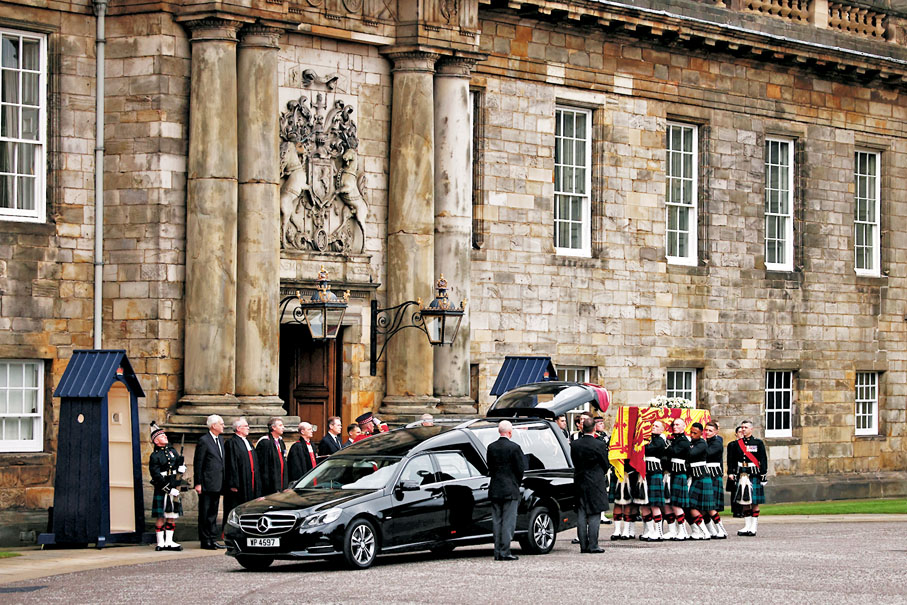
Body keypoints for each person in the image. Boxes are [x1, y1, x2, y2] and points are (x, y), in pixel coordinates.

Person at [487, 420, 526, 561]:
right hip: (510, 488)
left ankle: (497, 551)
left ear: (499, 431)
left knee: (497, 521)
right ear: (510, 432)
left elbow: (490, 467)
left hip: (495, 487)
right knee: (508, 522)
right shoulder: (515, 447)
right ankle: (505, 551)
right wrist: (516, 482)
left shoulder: (491, 447)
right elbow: (520, 469)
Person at [569, 417, 609, 553]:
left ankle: (583, 545)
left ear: (582, 428)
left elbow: (573, 461)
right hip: (595, 480)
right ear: (593, 429)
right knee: (594, 513)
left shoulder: (575, 444)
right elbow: (605, 464)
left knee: (581, 512)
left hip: (580, 479)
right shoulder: (599, 444)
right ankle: (593, 545)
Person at [148, 422, 186, 551]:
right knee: (161, 516)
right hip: (163, 488)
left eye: (164, 435)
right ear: (156, 441)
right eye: (162, 436)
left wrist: (181, 469)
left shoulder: (173, 451)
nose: (165, 437)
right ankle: (160, 542)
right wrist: (168, 489)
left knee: (171, 515)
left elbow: (176, 469)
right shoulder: (155, 456)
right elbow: (156, 475)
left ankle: (169, 541)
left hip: (174, 486)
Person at [729, 420, 767, 536]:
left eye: (745, 427)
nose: (743, 429)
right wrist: (731, 472)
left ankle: (753, 527)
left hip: (754, 474)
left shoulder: (758, 443)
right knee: (744, 501)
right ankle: (747, 526)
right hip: (742, 474)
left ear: (751, 429)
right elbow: (732, 460)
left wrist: (763, 474)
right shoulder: (736, 444)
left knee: (754, 502)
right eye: (742, 427)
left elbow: (763, 459)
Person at [193, 414, 226, 550]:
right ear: (214, 426)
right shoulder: (204, 441)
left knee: (213, 512)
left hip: (217, 483)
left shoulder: (220, 440)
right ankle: (205, 539)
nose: (223, 426)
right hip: (207, 483)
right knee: (205, 513)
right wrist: (198, 483)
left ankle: (213, 538)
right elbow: (198, 463)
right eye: (221, 424)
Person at [224, 417, 259, 520]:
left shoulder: (248, 442)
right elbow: (231, 464)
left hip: (250, 481)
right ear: (238, 428)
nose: (248, 428)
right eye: (246, 426)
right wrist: (233, 483)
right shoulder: (232, 443)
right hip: (240, 483)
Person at [639, 419, 668, 541]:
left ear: (662, 429)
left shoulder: (660, 441)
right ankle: (650, 531)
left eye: (657, 426)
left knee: (654, 504)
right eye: (653, 425)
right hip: (645, 473)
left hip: (655, 472)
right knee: (644, 504)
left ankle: (659, 532)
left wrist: (641, 445)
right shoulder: (650, 439)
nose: (653, 427)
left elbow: (648, 449)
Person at [686, 422, 714, 540]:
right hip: (695, 477)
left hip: (701, 477)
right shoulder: (692, 443)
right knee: (694, 507)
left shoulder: (702, 444)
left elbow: (690, 454)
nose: (692, 435)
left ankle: (706, 532)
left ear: (701, 433)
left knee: (693, 506)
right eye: (691, 432)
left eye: (695, 433)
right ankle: (700, 531)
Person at [665, 417, 691, 540]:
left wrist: (667, 444)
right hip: (672, 474)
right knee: (669, 503)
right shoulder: (675, 440)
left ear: (684, 426)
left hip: (679, 473)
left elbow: (674, 452)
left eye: (677, 425)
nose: (675, 427)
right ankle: (672, 531)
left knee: (677, 504)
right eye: (673, 425)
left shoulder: (684, 441)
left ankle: (683, 531)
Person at [704, 421, 728, 538]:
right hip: (706, 475)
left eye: (710, 431)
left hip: (713, 476)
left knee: (710, 505)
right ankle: (711, 531)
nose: (707, 433)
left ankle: (721, 529)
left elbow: (707, 454)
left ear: (716, 432)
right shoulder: (706, 442)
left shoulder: (717, 443)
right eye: (706, 430)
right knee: (704, 506)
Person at [256, 417, 288, 495]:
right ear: (273, 427)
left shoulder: (280, 441)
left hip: (281, 479)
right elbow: (263, 465)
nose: (283, 427)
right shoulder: (265, 442)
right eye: (280, 425)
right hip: (270, 482)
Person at [727, 425, 744, 518]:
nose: (742, 434)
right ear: (736, 434)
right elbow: (730, 460)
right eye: (740, 432)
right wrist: (730, 472)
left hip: (744, 471)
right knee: (735, 492)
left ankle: (743, 510)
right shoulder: (732, 445)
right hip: (735, 470)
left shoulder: (748, 444)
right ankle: (736, 511)